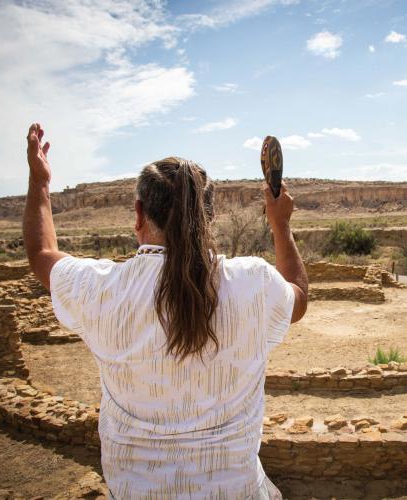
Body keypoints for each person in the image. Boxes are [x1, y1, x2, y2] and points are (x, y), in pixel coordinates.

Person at [23, 123, 308, 500]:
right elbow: (299, 296)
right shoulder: (252, 282)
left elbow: (41, 255)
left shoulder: (103, 289)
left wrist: (40, 183)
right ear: (209, 217)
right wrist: (280, 224)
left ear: (139, 214)